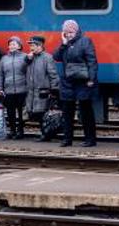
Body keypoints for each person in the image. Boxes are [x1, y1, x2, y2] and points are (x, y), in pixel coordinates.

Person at [53, 19, 98, 147]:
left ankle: (90, 139)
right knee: (67, 112)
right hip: (68, 82)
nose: (69, 34)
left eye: (71, 31)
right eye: (66, 32)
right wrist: (63, 43)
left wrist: (91, 79)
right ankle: (67, 139)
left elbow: (92, 61)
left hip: (83, 82)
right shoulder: (65, 44)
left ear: (76, 31)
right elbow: (56, 57)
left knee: (85, 112)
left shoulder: (85, 41)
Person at [0, 36, 31, 139]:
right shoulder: (4, 58)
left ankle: (20, 131)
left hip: (22, 89)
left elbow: (28, 72)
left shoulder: (25, 57)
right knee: (10, 112)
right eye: (10, 44)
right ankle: (12, 131)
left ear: (19, 46)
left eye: (14, 44)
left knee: (21, 112)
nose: (11, 46)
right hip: (9, 89)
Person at [26, 35, 59, 136]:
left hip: (43, 91)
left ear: (39, 46)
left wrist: (54, 90)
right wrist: (27, 60)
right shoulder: (30, 57)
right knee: (36, 114)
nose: (30, 48)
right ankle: (44, 133)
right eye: (30, 45)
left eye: (32, 45)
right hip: (32, 92)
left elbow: (53, 75)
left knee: (43, 113)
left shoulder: (47, 58)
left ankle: (46, 134)